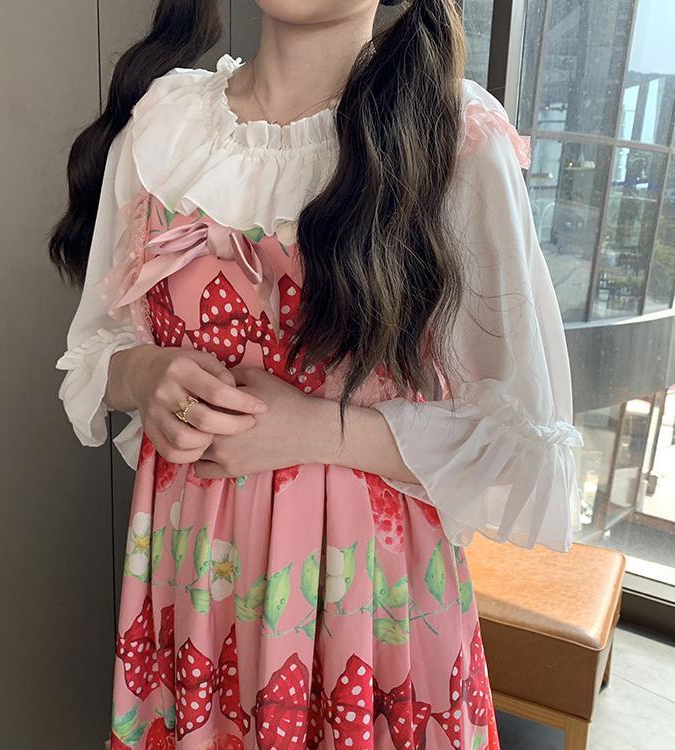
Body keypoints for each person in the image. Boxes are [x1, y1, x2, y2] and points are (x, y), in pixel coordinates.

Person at [49, 1, 584, 747]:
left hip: (363, 601)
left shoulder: (453, 136)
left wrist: (319, 431)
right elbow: (96, 349)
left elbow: (519, 442)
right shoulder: (163, 122)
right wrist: (144, 375)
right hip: (193, 581)